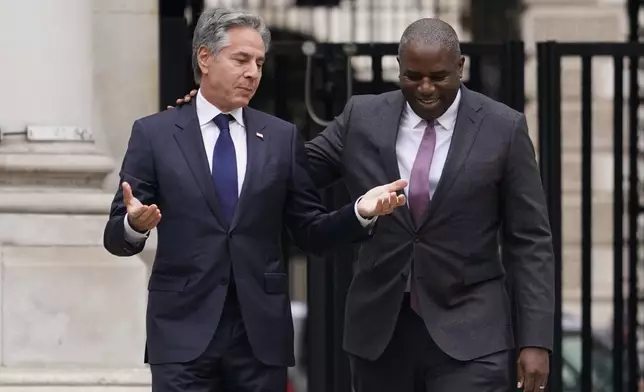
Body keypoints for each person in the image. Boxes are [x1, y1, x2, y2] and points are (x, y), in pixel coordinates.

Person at [173, 17, 554, 392]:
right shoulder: (363, 117)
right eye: (412, 76)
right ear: (399, 68)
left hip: (473, 335)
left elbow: (530, 242)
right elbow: (288, 171)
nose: (425, 88)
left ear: (460, 67)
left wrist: (535, 340)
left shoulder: (504, 128)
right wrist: (213, 115)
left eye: (439, 77)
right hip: (381, 334)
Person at [103, 8, 408, 392]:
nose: (253, 73)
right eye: (241, 59)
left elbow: (309, 230)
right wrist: (134, 225)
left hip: (259, 337)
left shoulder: (281, 137)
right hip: (182, 332)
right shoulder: (155, 134)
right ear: (205, 58)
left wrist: (360, 212)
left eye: (260, 62)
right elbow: (115, 236)